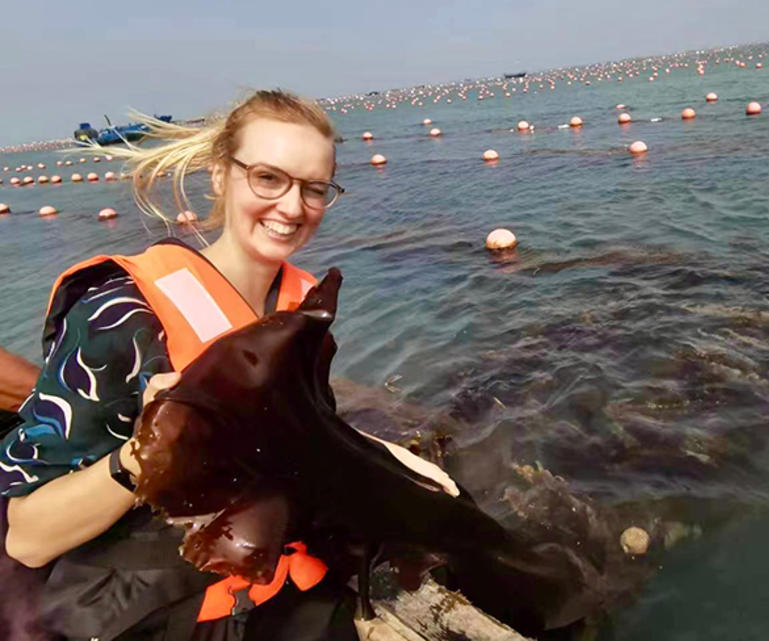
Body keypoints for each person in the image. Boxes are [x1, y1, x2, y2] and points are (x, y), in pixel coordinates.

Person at [1, 89, 458, 641]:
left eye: (315, 189)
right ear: (220, 174)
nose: (292, 208)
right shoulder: (120, 313)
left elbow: (297, 429)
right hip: (167, 613)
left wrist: (389, 457)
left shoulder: (299, 307)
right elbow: (27, 536)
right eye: (268, 178)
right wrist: (145, 456)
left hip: (292, 598)